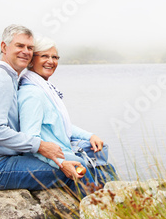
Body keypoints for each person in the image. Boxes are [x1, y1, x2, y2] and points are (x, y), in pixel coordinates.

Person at [0, 25, 86, 195]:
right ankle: (97, 218)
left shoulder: (7, 76)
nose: (25, 52)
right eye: (20, 46)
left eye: (29, 48)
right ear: (4, 47)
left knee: (71, 163)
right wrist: (40, 146)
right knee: (76, 169)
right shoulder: (0, 78)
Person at [18, 36, 117, 187]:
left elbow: (61, 125)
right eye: (44, 56)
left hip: (63, 150)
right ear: (31, 60)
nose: (51, 61)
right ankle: (101, 206)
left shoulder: (45, 89)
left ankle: (116, 201)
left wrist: (90, 136)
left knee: (102, 157)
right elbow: (30, 140)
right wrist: (61, 163)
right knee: (84, 166)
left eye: (54, 57)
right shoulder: (32, 94)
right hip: (55, 157)